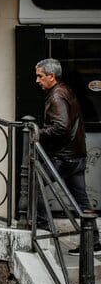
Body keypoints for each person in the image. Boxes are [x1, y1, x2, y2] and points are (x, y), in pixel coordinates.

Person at [34, 59, 96, 251]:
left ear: (51, 76)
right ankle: (93, 242)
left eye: (40, 76)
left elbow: (61, 126)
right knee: (82, 202)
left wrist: (38, 133)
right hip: (76, 156)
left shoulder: (57, 96)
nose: (37, 80)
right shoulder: (65, 90)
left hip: (64, 158)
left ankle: (44, 225)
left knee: (34, 184)